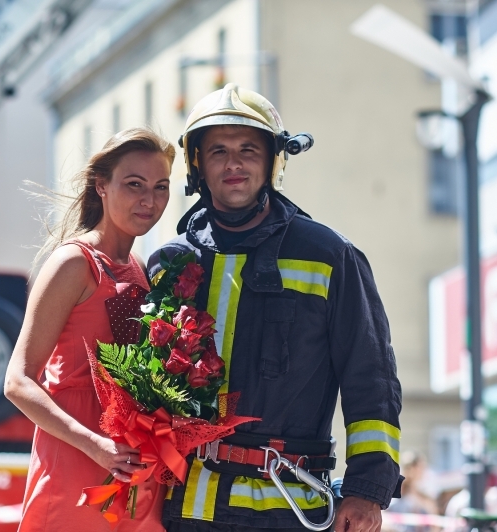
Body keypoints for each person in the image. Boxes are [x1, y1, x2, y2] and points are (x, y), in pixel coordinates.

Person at [147, 83, 403, 532]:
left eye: (248, 149)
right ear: (197, 164)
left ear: (273, 161)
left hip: (289, 507)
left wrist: (367, 489)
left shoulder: (330, 256)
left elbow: (371, 379)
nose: (234, 163)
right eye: (219, 151)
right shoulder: (168, 263)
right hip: (186, 509)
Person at [4, 128, 176, 531]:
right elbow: (17, 382)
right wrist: (95, 445)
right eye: (134, 184)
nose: (149, 200)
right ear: (102, 185)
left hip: (133, 467)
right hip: (78, 460)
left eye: (161, 187)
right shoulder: (73, 263)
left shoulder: (141, 270)